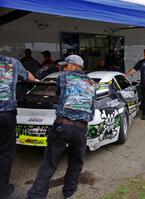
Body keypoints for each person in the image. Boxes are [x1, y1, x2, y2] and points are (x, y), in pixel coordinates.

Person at [26, 55, 96, 199]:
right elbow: (91, 107)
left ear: (75, 65)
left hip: (62, 125)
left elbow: (58, 94)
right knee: (76, 161)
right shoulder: (91, 82)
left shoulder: (64, 77)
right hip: (81, 128)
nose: (64, 67)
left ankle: (35, 196)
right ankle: (69, 192)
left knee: (49, 163)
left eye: (67, 64)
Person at [0, 55, 38, 199]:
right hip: (5, 114)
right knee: (5, 151)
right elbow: (28, 76)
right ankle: (2, 189)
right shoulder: (12, 62)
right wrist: (35, 80)